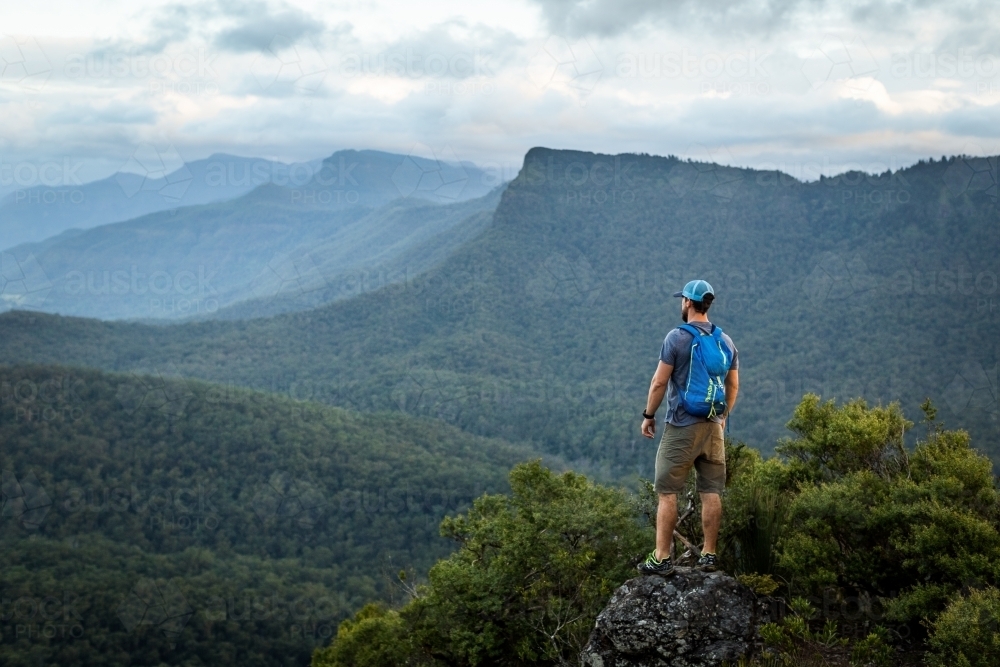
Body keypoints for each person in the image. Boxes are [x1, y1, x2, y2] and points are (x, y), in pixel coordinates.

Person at [637, 279, 739, 576]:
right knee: (711, 490)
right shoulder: (726, 341)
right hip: (714, 427)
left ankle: (662, 557)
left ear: (687, 303)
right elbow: (733, 384)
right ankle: (709, 555)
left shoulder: (677, 338)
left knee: (668, 492)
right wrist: (723, 417)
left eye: (682, 299)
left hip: (682, 425)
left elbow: (659, 382)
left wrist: (648, 415)